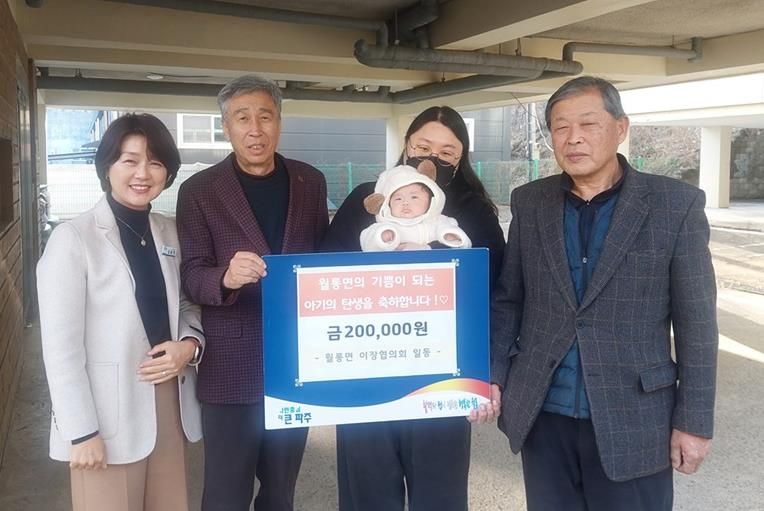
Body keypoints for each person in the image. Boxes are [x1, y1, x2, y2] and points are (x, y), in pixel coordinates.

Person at [488, 76, 718, 511]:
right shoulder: (530, 202)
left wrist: (694, 421)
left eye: (588, 124)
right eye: (560, 127)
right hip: (544, 413)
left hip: (635, 418)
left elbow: (698, 324)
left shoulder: (675, 204)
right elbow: (509, 299)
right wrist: (495, 373)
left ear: (620, 128)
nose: (573, 138)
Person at [322, 105, 506, 511]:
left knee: (439, 495)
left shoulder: (474, 211)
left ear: (461, 158)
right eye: (423, 146)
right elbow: (325, 272)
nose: (433, 158)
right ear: (406, 147)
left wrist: (488, 373)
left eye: (447, 152)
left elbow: (496, 289)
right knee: (367, 494)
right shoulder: (366, 200)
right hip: (366, 372)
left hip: (442, 377)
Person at [175, 74, 328, 511]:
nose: (255, 129)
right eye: (242, 118)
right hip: (230, 365)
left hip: (294, 361)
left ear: (279, 121)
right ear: (227, 127)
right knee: (226, 492)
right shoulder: (199, 190)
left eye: (265, 116)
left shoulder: (310, 181)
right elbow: (191, 275)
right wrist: (225, 277)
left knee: (280, 491)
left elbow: (323, 260)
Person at [37, 113, 205, 511]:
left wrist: (189, 344)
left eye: (155, 162)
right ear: (107, 166)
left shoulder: (169, 231)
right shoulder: (72, 239)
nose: (142, 173)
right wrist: (81, 432)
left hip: (168, 401)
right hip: (104, 415)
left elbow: (185, 303)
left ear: (168, 172)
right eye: (130, 160)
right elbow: (61, 348)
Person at [359, 163, 471, 251]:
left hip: (433, 269)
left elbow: (464, 245)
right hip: (399, 271)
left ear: (431, 201)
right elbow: (367, 243)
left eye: (414, 197)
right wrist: (382, 237)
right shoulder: (385, 225)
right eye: (398, 199)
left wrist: (452, 236)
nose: (405, 203)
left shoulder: (439, 222)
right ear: (387, 205)